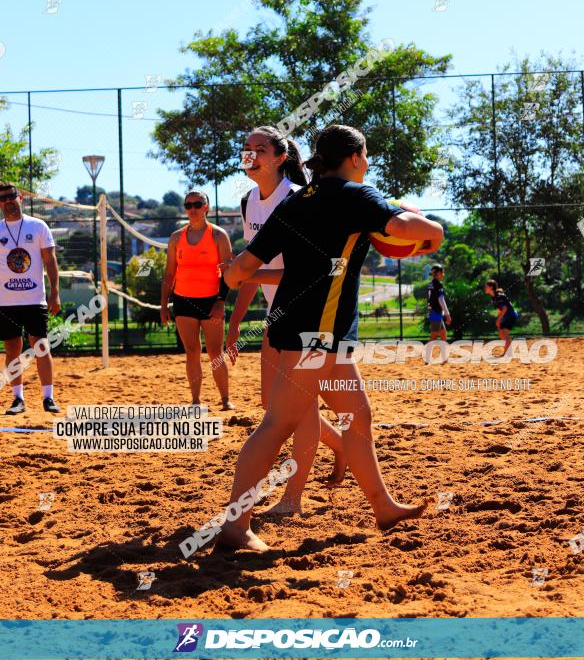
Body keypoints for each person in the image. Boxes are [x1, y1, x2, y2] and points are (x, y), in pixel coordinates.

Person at [220, 124, 444, 550]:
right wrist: (435, 232)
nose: (368, 163)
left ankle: (383, 506)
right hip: (316, 336)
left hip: (305, 331)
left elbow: (239, 271)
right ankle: (235, 526)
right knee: (277, 424)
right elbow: (410, 229)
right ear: (356, 157)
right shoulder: (355, 196)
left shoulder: (295, 202)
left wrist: (226, 272)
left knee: (358, 416)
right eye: (367, 156)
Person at [226, 126, 345, 515]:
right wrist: (234, 322)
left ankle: (292, 499)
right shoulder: (249, 202)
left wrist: (245, 274)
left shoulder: (297, 200)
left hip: (309, 312)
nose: (251, 154)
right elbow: (252, 263)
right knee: (273, 405)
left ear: (280, 158)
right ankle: (341, 443)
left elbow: (304, 273)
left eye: (260, 149)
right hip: (278, 314)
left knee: (300, 408)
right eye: (246, 149)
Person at [161, 191, 234, 409]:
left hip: (211, 301)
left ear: (206, 208)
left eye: (197, 204)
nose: (192, 208)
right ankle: (195, 401)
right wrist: (163, 304)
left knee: (215, 353)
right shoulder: (176, 238)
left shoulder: (219, 236)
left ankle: (225, 399)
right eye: (188, 205)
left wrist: (221, 302)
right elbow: (169, 273)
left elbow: (228, 272)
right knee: (192, 352)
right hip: (183, 301)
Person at [0, 182, 61, 415]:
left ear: (20, 198)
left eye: (11, 196)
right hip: (5, 302)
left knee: (41, 346)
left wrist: (55, 292)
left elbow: (50, 261)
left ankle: (48, 397)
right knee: (12, 349)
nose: (7, 201)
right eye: (3, 198)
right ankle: (18, 399)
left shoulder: (38, 226)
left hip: (35, 299)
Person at [484, 279, 518, 358]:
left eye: (486, 286)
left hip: (510, 315)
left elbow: (505, 308)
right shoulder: (494, 297)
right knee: (502, 334)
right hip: (505, 316)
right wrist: (498, 320)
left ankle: (508, 353)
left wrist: (499, 319)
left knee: (505, 334)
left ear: (491, 287)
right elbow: (500, 309)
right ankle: (509, 351)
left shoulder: (499, 296)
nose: (485, 288)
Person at [426, 264, 451, 361]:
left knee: (443, 333)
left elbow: (432, 299)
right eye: (442, 271)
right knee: (434, 334)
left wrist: (443, 314)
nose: (443, 273)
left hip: (433, 311)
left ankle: (444, 356)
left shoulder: (431, 283)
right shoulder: (438, 284)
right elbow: (441, 300)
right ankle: (427, 355)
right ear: (439, 273)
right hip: (435, 311)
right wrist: (447, 314)